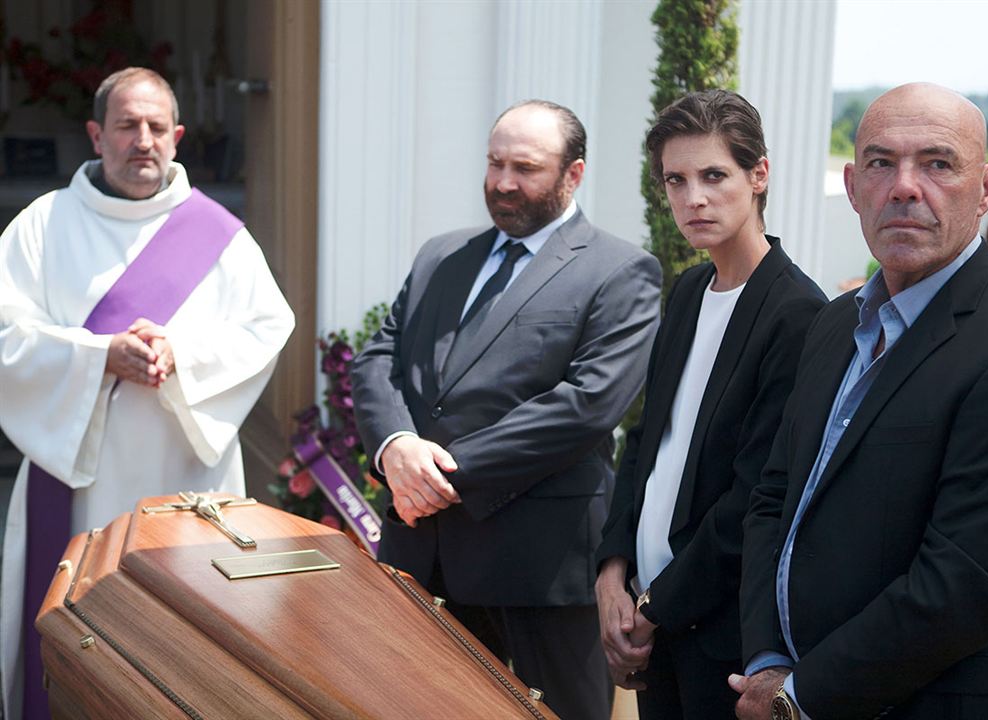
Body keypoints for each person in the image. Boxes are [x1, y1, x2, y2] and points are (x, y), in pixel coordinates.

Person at [730, 83, 988, 720]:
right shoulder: (834, 326)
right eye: (881, 162)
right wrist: (764, 660)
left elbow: (961, 587)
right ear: (854, 184)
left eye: (938, 163)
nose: (905, 186)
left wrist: (797, 700)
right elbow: (773, 497)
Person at [351, 99, 661, 720]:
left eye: (526, 167)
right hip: (421, 555)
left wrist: (437, 475)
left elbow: (586, 405)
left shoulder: (621, 271)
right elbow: (377, 359)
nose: (503, 183)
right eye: (494, 163)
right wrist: (395, 449)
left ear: (574, 174)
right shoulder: (442, 254)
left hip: (539, 569)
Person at [0, 67, 294, 720]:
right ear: (95, 134)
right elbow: (4, 334)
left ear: (178, 136)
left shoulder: (220, 236)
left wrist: (179, 358)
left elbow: (267, 328)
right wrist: (100, 355)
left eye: (157, 127)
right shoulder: (42, 226)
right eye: (127, 125)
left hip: (186, 476)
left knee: (184, 654)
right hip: (74, 484)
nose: (143, 140)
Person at [593, 89, 825, 719]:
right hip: (652, 617)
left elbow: (754, 494)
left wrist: (653, 609)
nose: (692, 198)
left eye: (713, 175)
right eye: (676, 180)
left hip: (720, 635)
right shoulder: (691, 289)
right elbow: (644, 440)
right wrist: (611, 571)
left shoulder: (798, 314)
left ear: (759, 176)